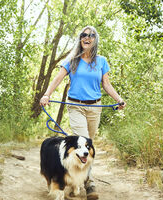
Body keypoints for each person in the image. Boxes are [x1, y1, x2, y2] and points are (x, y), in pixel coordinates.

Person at [40, 25, 126, 200]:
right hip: (75, 106)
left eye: (91, 35)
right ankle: (89, 182)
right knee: (83, 140)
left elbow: (106, 84)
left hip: (95, 107)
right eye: (84, 35)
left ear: (95, 40)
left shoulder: (101, 61)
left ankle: (77, 180)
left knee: (87, 147)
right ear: (80, 39)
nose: (87, 37)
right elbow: (57, 78)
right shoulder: (72, 60)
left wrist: (119, 99)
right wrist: (47, 94)